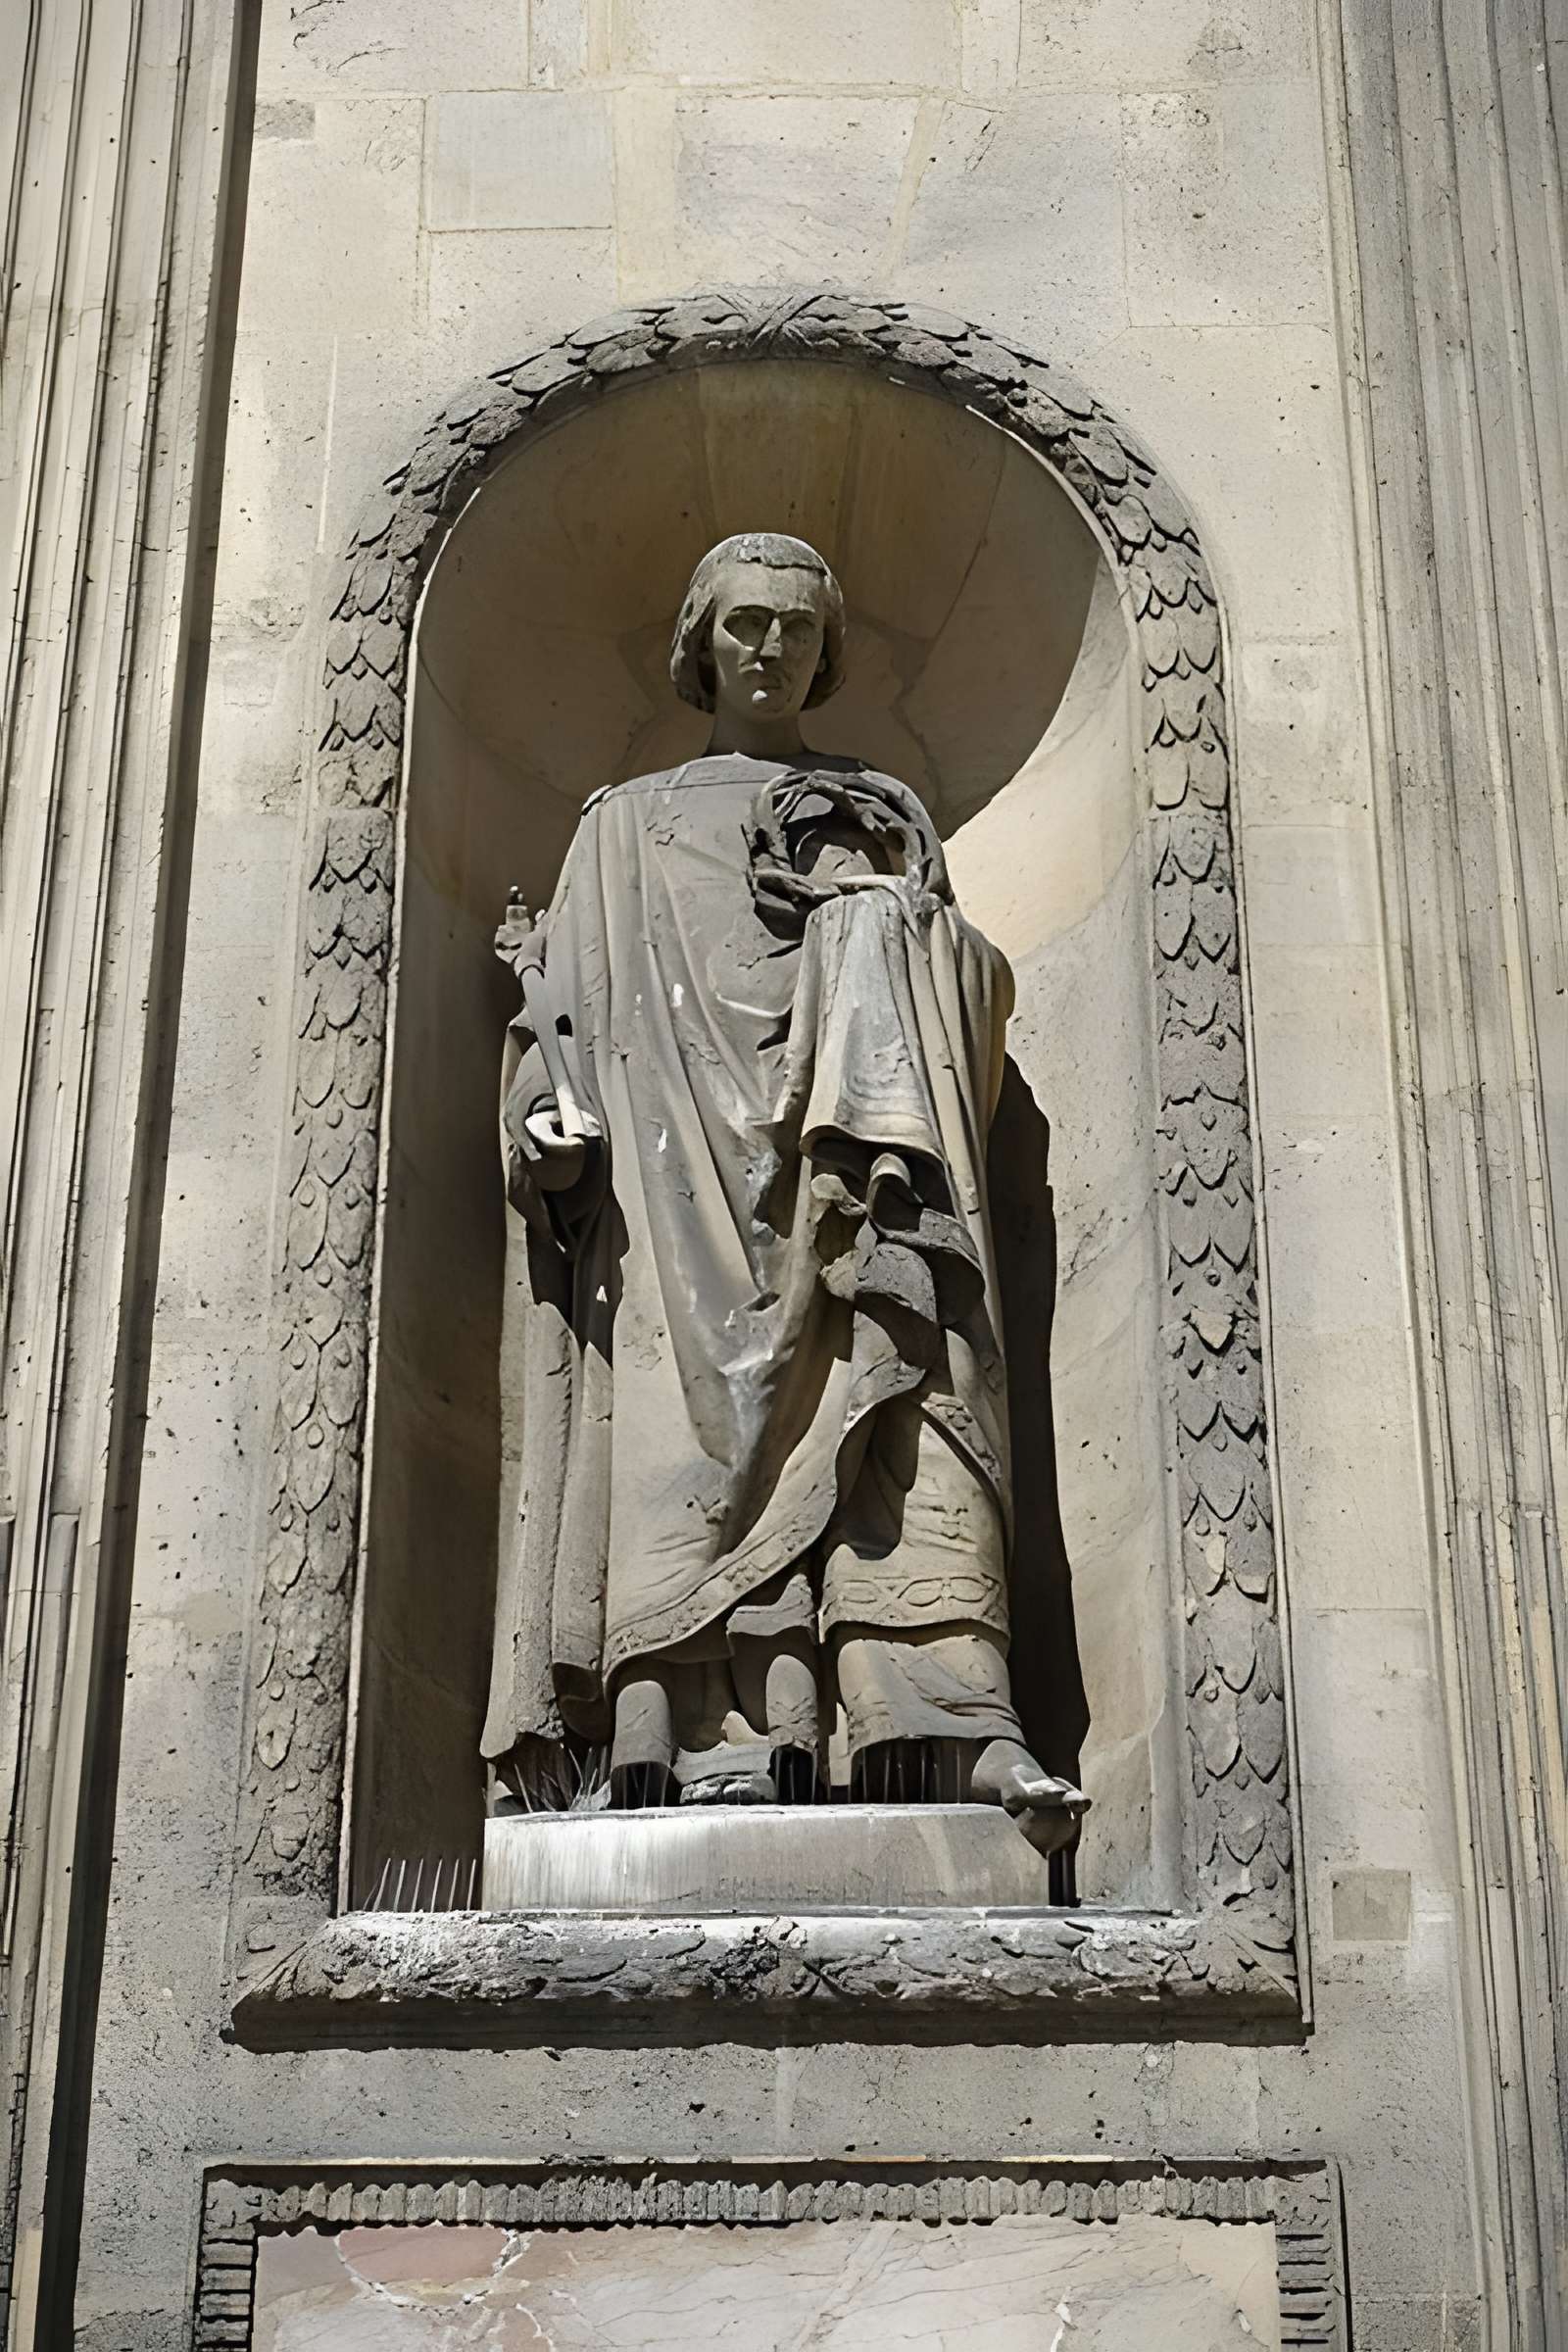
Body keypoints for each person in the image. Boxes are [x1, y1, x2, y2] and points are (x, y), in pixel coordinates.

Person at [483, 531, 1087, 1853]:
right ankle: (680, 1731)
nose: (771, 648)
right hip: (669, 1194)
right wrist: (548, 1122)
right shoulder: (623, 826)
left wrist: (885, 930)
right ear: (700, 643)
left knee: (902, 1402)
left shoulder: (879, 811)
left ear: (827, 651)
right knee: (675, 1448)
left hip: (846, 1183)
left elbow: (962, 1004)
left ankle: (924, 1719)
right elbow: (556, 1025)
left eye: (797, 629)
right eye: (747, 623)